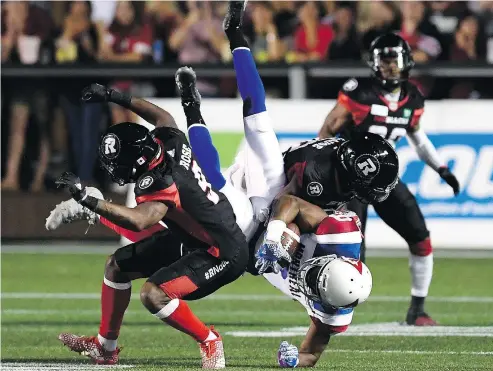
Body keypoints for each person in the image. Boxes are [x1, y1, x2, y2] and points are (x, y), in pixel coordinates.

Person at [54, 80, 249, 368]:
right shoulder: (168, 143)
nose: (114, 169)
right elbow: (162, 117)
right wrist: (112, 96)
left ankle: (209, 339)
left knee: (154, 294)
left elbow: (139, 221)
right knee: (116, 267)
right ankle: (105, 348)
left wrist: (88, 200)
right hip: (196, 237)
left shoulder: (159, 183)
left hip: (221, 251)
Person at [318, 32, 461, 326]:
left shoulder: (414, 98)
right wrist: (325, 172)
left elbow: (418, 139)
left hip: (385, 180)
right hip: (349, 181)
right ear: (373, 63)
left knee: (420, 238)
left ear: (406, 61)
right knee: (352, 248)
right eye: (383, 60)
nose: (389, 66)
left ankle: (417, 309)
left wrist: (441, 169)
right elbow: (326, 132)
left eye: (394, 59)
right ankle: (337, 309)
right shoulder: (359, 92)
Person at [255, 195, 372, 368]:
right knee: (290, 232)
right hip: (265, 221)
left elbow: (310, 354)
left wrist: (293, 360)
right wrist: (273, 238)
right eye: (316, 274)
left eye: (315, 288)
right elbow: (290, 202)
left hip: (256, 265)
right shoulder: (339, 235)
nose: (307, 279)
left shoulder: (335, 315)